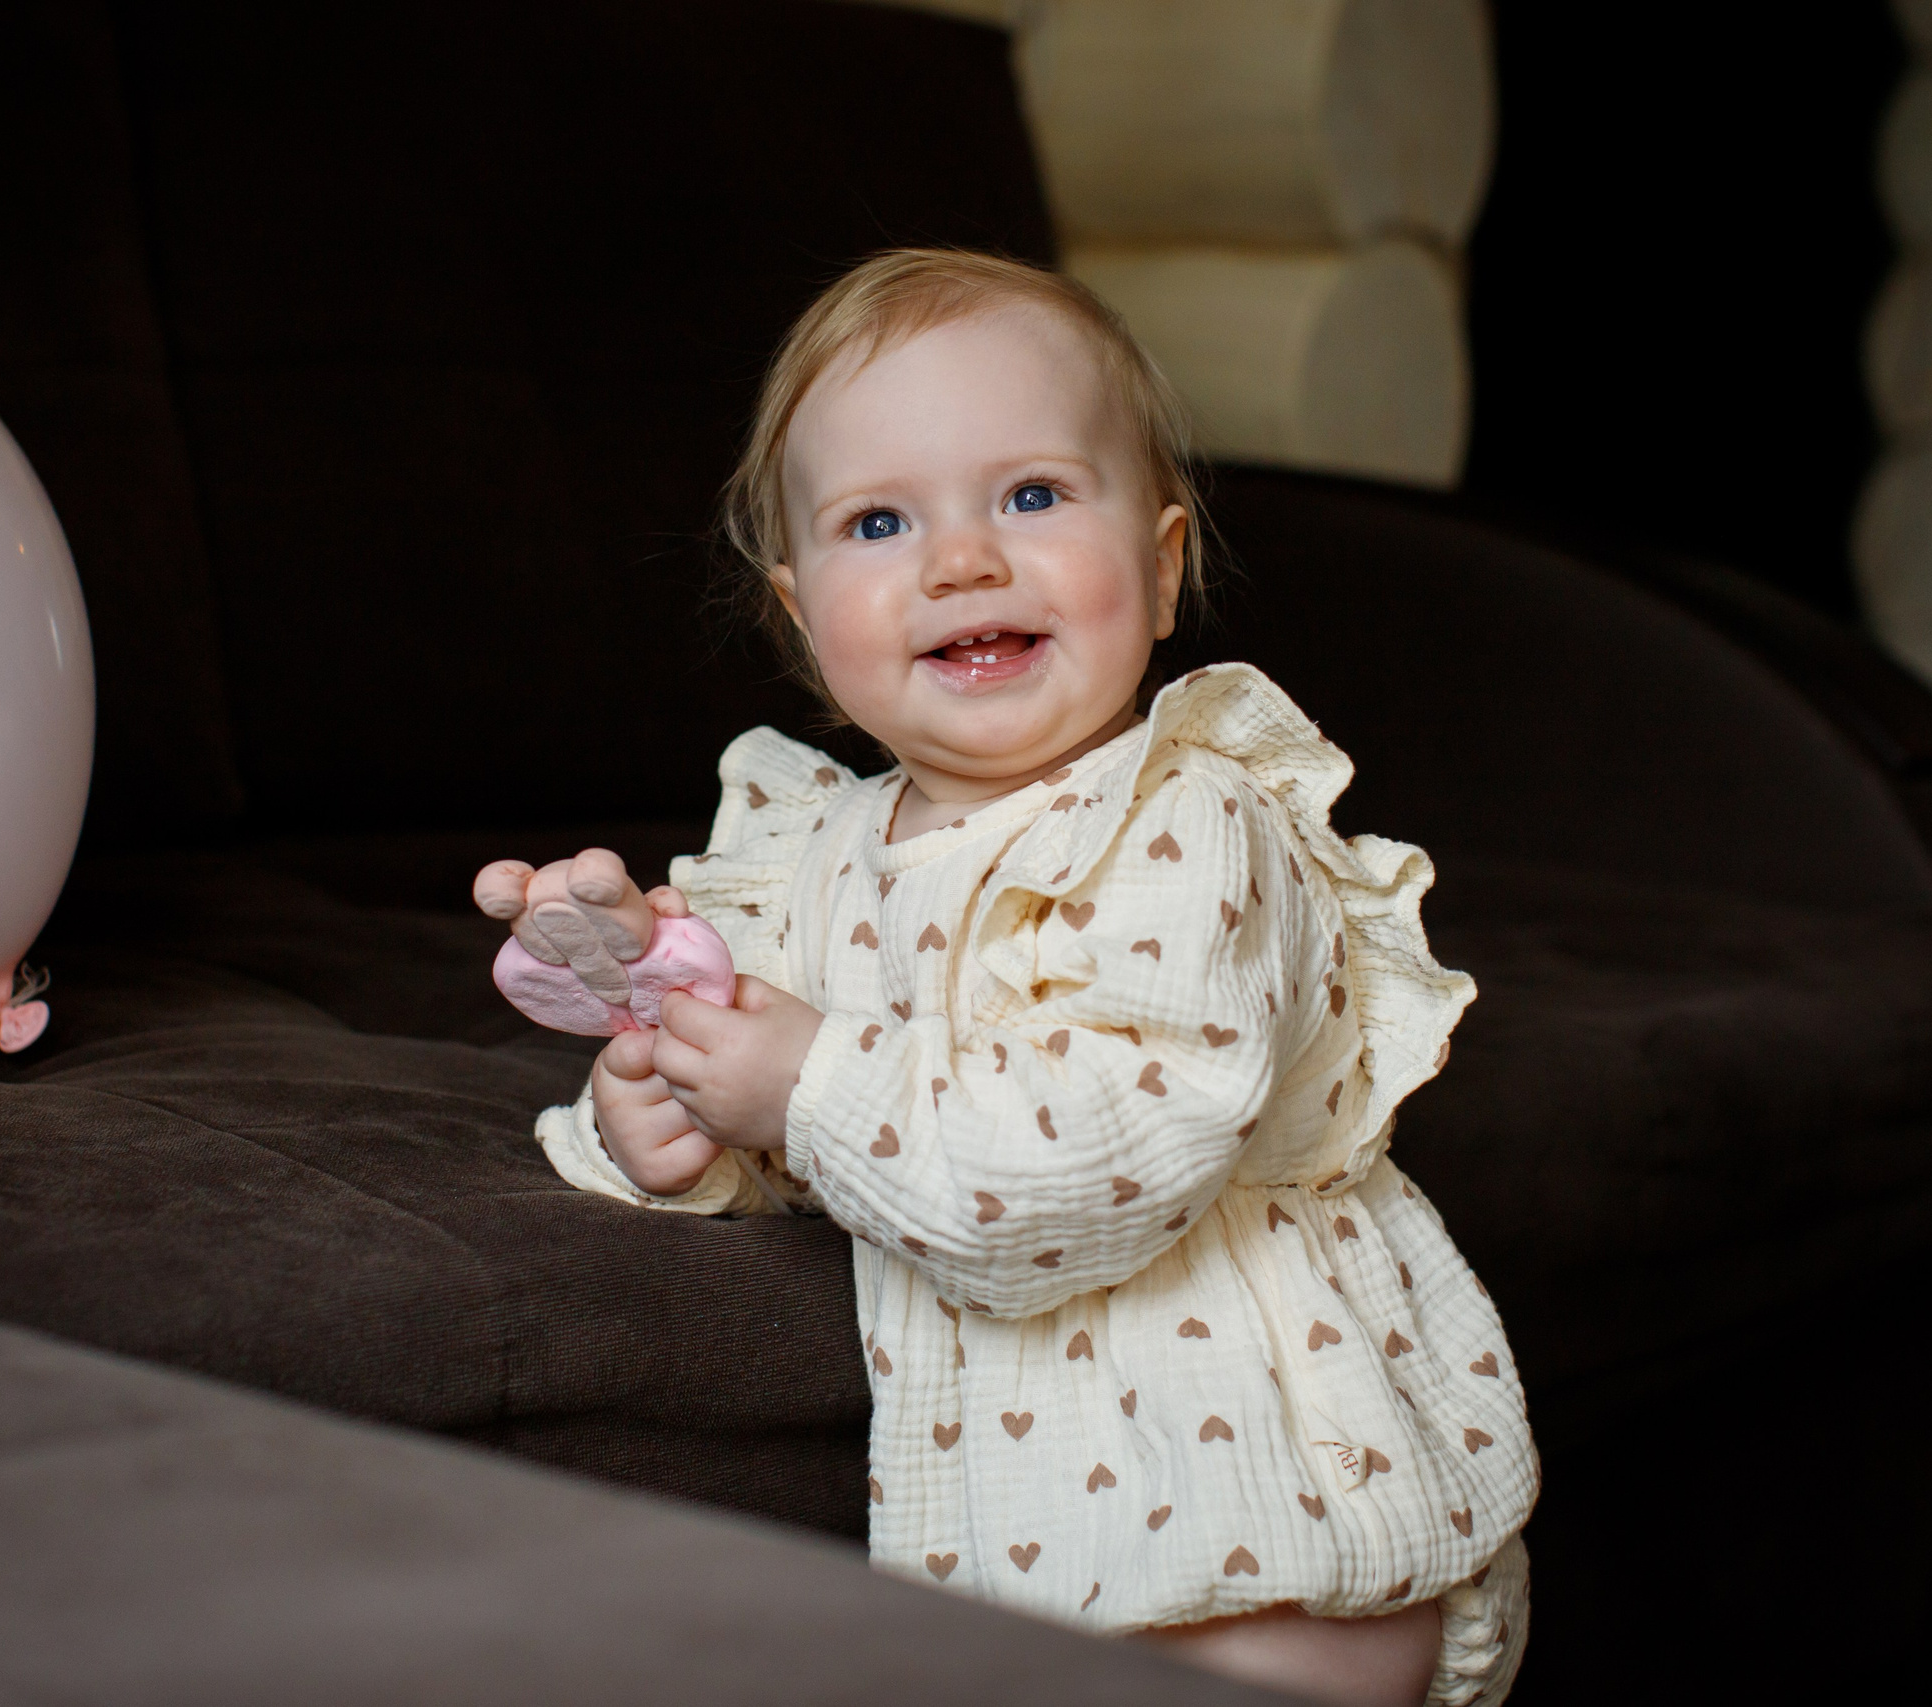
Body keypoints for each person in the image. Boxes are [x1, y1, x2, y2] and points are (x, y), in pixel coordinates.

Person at [472, 250, 1535, 1707]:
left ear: (1162, 567)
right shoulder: (817, 856)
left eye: (1032, 495)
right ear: (799, 614)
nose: (962, 559)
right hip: (1033, 1546)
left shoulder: (1197, 824)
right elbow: (844, 1146)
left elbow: (1097, 1154)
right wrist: (673, 1120)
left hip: (1274, 1523)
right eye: (879, 520)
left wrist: (806, 1078)